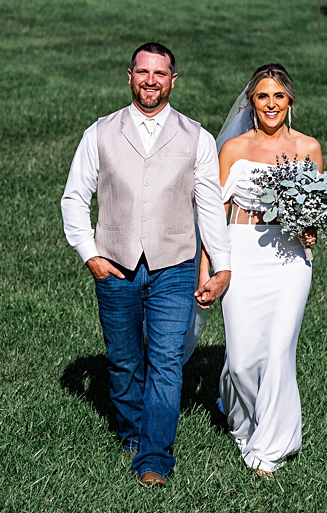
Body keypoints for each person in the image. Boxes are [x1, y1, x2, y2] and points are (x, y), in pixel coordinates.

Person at [61, 42, 232, 487]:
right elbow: (75, 198)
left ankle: (154, 456)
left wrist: (222, 266)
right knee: (122, 360)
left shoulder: (197, 137)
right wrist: (91, 255)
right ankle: (133, 431)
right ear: (130, 76)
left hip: (174, 264)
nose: (150, 80)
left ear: (173, 80)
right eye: (142, 72)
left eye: (160, 73)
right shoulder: (99, 132)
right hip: (114, 264)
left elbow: (211, 207)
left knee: (166, 361)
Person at [204, 63, 321, 478]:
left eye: (278, 96)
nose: (271, 104)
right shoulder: (233, 149)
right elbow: (213, 213)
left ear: (290, 101)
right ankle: (240, 419)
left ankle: (271, 447)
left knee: (276, 351)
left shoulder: (309, 147)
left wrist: (309, 232)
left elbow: (314, 214)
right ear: (251, 102)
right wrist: (209, 269)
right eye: (262, 96)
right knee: (239, 360)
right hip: (239, 252)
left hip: (289, 260)